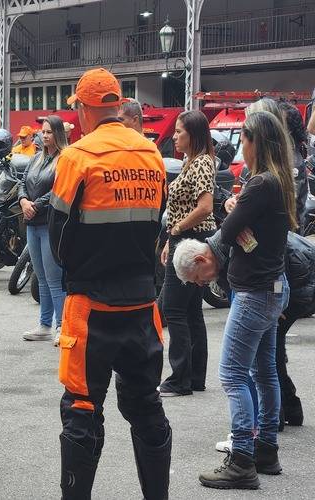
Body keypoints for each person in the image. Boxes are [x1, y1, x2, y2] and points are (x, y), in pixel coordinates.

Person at [47, 68, 170, 500]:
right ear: (118, 107)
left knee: (81, 409)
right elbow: (158, 227)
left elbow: (58, 237)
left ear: (83, 109)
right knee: (146, 405)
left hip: (90, 305)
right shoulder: (151, 155)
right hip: (141, 303)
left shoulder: (76, 157)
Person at [196, 110, 296, 490]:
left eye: (245, 139)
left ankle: (241, 459)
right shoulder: (279, 180)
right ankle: (265, 449)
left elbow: (229, 232)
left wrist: (198, 258)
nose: (242, 146)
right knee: (263, 370)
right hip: (272, 285)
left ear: (255, 142)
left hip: (255, 290)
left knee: (233, 373)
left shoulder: (259, 185)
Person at [173, 229, 313, 432]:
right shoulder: (220, 261)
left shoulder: (229, 241)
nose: (199, 284)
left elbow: (275, 257)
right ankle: (282, 414)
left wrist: (280, 300)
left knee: (246, 367)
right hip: (286, 283)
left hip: (295, 278)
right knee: (267, 359)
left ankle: (263, 427)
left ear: (201, 259)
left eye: (196, 277)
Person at [158, 110, 216, 397]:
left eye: (179, 131)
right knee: (191, 309)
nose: (174, 136)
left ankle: (180, 379)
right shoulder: (190, 161)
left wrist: (178, 230)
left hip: (192, 237)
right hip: (185, 237)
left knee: (174, 308)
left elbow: (205, 207)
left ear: (192, 134)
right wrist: (172, 237)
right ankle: (194, 377)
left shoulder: (202, 162)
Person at [19, 115, 68, 344]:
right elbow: (22, 183)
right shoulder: (36, 158)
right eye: (43, 132)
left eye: (49, 132)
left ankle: (62, 326)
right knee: (41, 277)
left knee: (54, 278)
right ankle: (45, 324)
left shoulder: (65, 159)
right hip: (32, 223)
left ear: (57, 134)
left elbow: (60, 189)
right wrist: (23, 202)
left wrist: (35, 205)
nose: (44, 135)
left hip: (51, 224)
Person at [277, 100, 310, 233]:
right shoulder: (286, 154)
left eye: (279, 122)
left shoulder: (292, 160)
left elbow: (289, 204)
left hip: (289, 235)